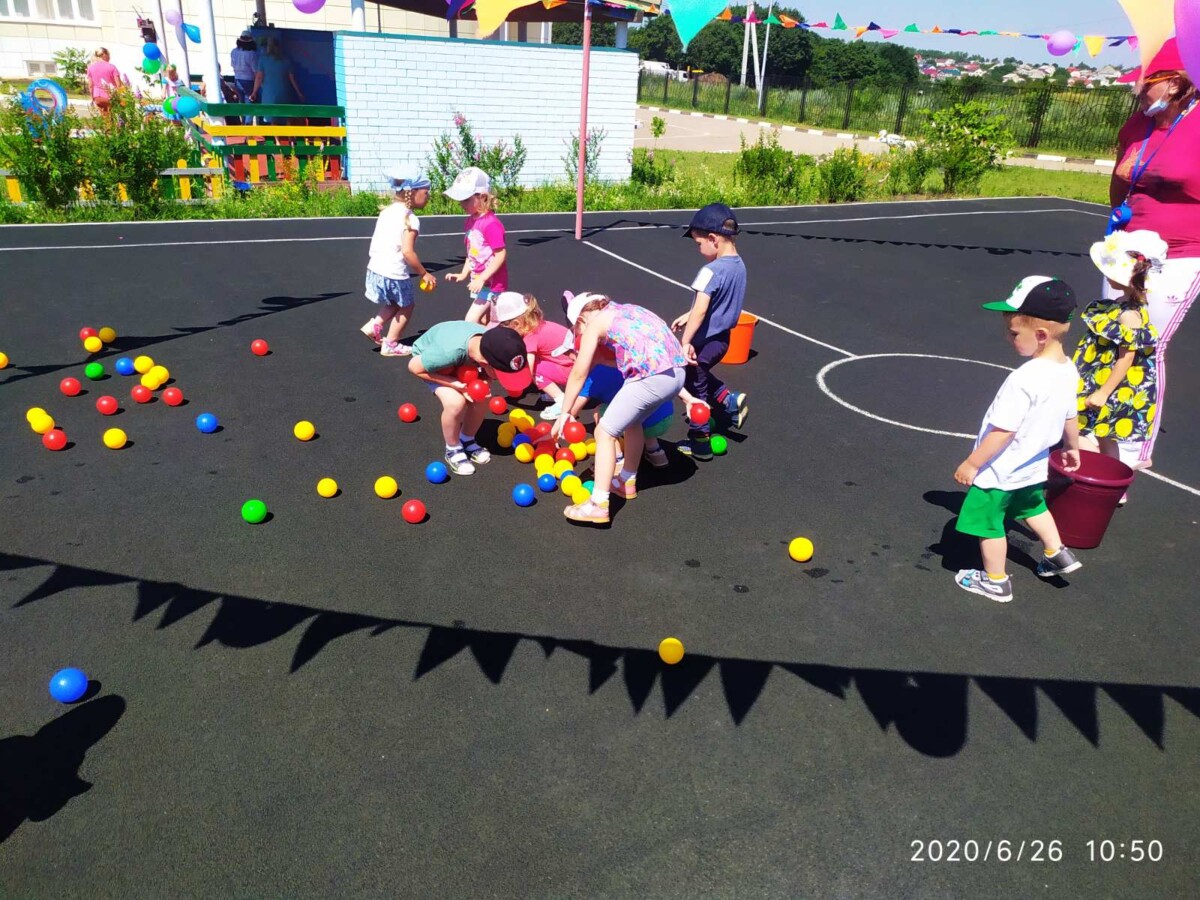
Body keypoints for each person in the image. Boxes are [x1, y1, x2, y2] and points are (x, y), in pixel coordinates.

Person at [952, 276, 1083, 602]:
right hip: (1032, 468)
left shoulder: (1023, 379)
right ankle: (1057, 552)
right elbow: (1070, 414)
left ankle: (995, 581)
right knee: (1033, 506)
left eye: (1013, 333)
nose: (1008, 338)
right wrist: (1072, 447)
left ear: (1040, 335)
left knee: (988, 524)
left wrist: (972, 463)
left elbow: (1003, 430)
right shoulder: (1068, 369)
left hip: (1000, 472)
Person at [1108, 37, 1200, 470]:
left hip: (1182, 252)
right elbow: (1121, 177)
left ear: (1178, 83)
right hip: (1126, 245)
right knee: (1110, 338)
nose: (1140, 89)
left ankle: (1130, 454)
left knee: (1146, 346)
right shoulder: (1137, 126)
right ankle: (1096, 435)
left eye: (1149, 82)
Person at [551, 293, 687, 525]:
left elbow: (578, 373)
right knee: (631, 422)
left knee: (604, 432)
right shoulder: (630, 310)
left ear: (581, 320)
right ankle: (627, 480)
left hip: (652, 377)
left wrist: (564, 413)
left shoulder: (594, 324)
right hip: (678, 373)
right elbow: (643, 349)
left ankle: (598, 504)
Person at [1074, 231, 1163, 475]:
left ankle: (1100, 475)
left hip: (1109, 386)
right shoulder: (1120, 306)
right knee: (1104, 435)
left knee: (1071, 429)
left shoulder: (1129, 315)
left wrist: (1103, 392)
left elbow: (1127, 357)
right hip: (1099, 377)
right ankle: (1113, 484)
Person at [671, 203, 749, 461]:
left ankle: (700, 442)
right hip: (723, 340)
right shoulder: (739, 266)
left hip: (703, 342)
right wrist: (688, 314)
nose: (698, 249)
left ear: (713, 239)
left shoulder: (710, 271)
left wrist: (686, 341)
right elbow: (716, 305)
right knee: (698, 376)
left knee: (695, 390)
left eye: (698, 243)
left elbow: (703, 309)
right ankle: (729, 400)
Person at [407, 322, 529, 476]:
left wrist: (483, 382)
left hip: (461, 363)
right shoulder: (447, 353)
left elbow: (487, 375)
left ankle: (467, 439)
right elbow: (414, 367)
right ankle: (452, 448)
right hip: (432, 364)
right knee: (455, 403)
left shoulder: (492, 345)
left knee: (484, 396)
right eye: (503, 374)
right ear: (486, 364)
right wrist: (455, 384)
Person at [361, 168, 435, 358]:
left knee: (394, 302)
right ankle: (391, 343)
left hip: (376, 268)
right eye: (426, 192)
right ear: (413, 192)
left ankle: (374, 325)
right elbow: (408, 252)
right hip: (394, 272)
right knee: (407, 305)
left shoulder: (387, 211)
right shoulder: (410, 219)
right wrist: (424, 273)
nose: (428, 197)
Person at [490, 292, 575, 417]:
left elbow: (527, 371)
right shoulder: (538, 325)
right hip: (576, 364)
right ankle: (555, 391)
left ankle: (561, 400)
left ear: (516, 324)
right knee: (538, 358)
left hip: (573, 371)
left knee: (534, 368)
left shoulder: (530, 338)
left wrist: (512, 382)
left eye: (503, 327)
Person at [442, 167, 508, 324]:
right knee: (486, 321)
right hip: (479, 281)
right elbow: (472, 253)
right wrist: (464, 274)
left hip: (491, 284)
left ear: (483, 197)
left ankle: (480, 346)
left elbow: (500, 254)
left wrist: (482, 278)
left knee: (471, 320)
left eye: (466, 199)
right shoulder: (471, 221)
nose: (461, 203)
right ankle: (488, 346)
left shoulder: (490, 224)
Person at [249, 37, 305, 120]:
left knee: (272, 118)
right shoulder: (286, 60)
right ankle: (287, 132)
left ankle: (274, 132)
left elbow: (259, 77)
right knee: (285, 117)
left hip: (269, 93)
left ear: (268, 47)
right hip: (284, 93)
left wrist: (254, 92)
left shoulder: (263, 60)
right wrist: (299, 93)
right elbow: (292, 79)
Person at [86, 48, 127, 115]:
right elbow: (119, 85)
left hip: (97, 97)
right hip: (111, 97)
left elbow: (90, 85)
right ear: (104, 55)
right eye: (109, 55)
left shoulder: (91, 67)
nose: (109, 57)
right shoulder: (112, 67)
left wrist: (92, 98)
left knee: (105, 117)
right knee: (118, 117)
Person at [231, 30, 259, 103]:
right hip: (249, 80)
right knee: (249, 101)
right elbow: (256, 71)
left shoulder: (234, 51)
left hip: (237, 79)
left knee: (241, 102)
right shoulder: (252, 54)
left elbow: (232, 65)